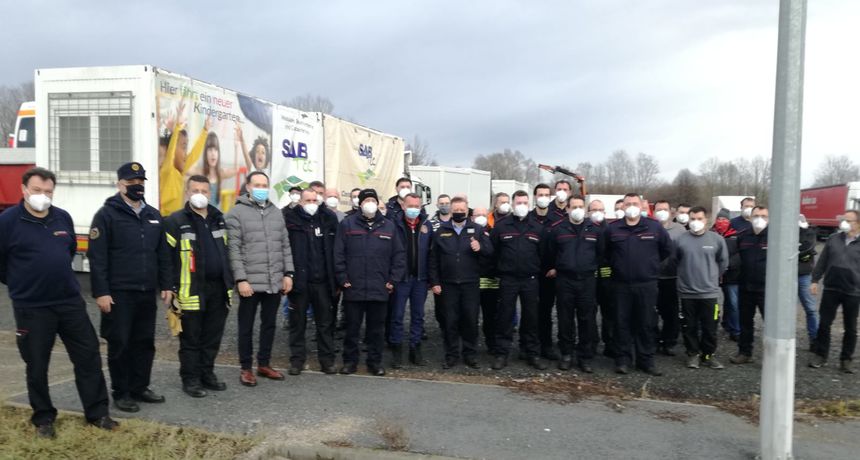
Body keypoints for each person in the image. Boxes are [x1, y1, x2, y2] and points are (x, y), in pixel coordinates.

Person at [0, 167, 117, 437]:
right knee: (37, 364)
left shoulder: (62, 218)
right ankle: (44, 418)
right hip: (32, 308)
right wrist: (20, 283)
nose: (43, 196)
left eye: (48, 191)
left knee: (88, 356)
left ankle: (97, 413)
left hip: (69, 302)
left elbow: (69, 251)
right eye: (37, 191)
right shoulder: (7, 222)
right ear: (24, 190)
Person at [88, 162, 173, 412]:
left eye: (141, 182)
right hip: (118, 294)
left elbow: (163, 255)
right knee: (120, 343)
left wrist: (166, 285)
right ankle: (121, 391)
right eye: (132, 182)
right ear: (120, 185)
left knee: (144, 342)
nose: (137, 186)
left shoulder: (153, 215)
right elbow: (98, 258)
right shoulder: (106, 215)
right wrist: (101, 292)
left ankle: (140, 387)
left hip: (146, 292)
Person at [164, 175, 233, 397]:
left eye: (204, 191)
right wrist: (169, 286)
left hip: (218, 289)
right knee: (191, 339)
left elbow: (228, 253)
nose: (200, 195)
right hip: (190, 290)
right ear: (187, 192)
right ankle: (191, 379)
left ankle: (207, 374)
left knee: (212, 337)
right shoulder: (175, 221)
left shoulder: (218, 218)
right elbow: (166, 258)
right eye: (196, 190)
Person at [226, 171, 294, 386]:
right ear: (248, 186)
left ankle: (264, 363)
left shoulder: (276, 212)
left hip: (274, 280)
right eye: (257, 184)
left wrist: (288, 273)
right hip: (250, 283)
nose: (261, 188)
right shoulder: (235, 213)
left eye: (265, 184)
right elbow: (233, 249)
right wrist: (241, 279)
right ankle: (246, 368)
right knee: (246, 326)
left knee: (269, 325)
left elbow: (284, 245)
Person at [335, 189, 406, 376]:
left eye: (373, 200)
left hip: (379, 288)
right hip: (354, 287)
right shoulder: (347, 224)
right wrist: (342, 278)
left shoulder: (388, 226)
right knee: (352, 329)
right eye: (366, 200)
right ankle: (350, 362)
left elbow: (399, 256)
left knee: (376, 330)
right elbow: (338, 254)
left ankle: (375, 363)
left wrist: (392, 280)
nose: (370, 203)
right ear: (360, 203)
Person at [603, 193, 672, 376]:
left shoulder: (654, 227)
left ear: (641, 207)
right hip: (621, 285)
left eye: (635, 203)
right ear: (622, 207)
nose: (631, 206)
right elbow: (604, 253)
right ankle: (623, 360)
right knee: (621, 323)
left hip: (646, 284)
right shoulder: (612, 229)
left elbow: (666, 250)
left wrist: (650, 265)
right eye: (628, 204)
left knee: (646, 323)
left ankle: (646, 361)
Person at [430, 196, 493, 369]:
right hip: (448, 284)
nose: (459, 213)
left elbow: (490, 252)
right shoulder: (441, 231)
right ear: (451, 211)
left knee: (470, 320)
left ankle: (470, 354)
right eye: (456, 210)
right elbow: (433, 259)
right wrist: (434, 282)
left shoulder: (478, 230)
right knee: (450, 321)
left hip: (470, 284)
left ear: (467, 211)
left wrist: (480, 248)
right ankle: (451, 355)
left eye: (462, 210)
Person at [543, 195, 603, 372]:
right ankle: (566, 354)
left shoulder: (594, 229)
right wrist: (556, 267)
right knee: (565, 318)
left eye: (580, 206)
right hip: (565, 280)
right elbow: (550, 252)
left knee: (587, 319)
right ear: (567, 209)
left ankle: (585, 357)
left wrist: (589, 267)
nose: (577, 209)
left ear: (584, 209)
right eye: (573, 206)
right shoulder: (557, 229)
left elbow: (601, 253)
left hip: (587, 280)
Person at [284, 189, 339, 375]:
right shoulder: (290, 219)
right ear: (300, 201)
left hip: (323, 281)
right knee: (297, 323)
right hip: (299, 281)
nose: (312, 203)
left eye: (315, 200)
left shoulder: (328, 218)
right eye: (308, 200)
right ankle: (297, 360)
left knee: (325, 323)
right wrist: (288, 275)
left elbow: (336, 249)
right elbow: (285, 249)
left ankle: (327, 360)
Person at [490, 190, 546, 370]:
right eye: (518, 202)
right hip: (508, 279)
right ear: (513, 204)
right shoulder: (501, 226)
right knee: (504, 317)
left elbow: (544, 254)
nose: (521, 205)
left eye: (524, 202)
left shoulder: (537, 227)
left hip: (530, 279)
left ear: (529, 204)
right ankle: (501, 353)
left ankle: (531, 353)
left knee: (531, 318)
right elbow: (494, 252)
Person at [675, 207, 729, 369]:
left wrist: (711, 278)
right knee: (688, 326)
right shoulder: (681, 240)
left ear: (706, 220)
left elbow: (723, 262)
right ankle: (693, 354)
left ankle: (708, 355)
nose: (695, 222)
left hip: (709, 293)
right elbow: (675, 261)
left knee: (710, 327)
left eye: (699, 218)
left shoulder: (717, 240)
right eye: (692, 219)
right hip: (686, 293)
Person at [809, 210, 859, 374]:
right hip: (831, 287)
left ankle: (846, 359)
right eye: (843, 219)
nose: (844, 223)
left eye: (848, 220)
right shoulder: (833, 239)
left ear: (858, 223)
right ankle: (821, 355)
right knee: (824, 323)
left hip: (853, 290)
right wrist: (815, 280)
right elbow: (822, 261)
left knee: (850, 327)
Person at [389, 193, 433, 367]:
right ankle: (396, 351)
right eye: (411, 205)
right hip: (401, 279)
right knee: (397, 315)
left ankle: (416, 349)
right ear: (403, 206)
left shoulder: (427, 225)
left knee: (418, 316)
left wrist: (431, 278)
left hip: (420, 279)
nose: (414, 209)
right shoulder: (394, 225)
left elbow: (431, 253)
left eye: (417, 206)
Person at [731, 205, 769, 364]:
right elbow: (736, 257)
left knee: (771, 324)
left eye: (764, 216)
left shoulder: (775, 236)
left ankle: (772, 356)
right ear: (750, 217)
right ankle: (744, 352)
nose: (759, 219)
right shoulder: (743, 236)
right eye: (756, 215)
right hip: (746, 286)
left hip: (767, 289)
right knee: (745, 321)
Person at [529, 183, 560, 360]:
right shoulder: (528, 218)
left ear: (550, 197)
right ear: (535, 196)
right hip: (531, 273)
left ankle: (546, 346)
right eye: (540, 194)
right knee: (530, 311)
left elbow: (561, 247)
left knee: (546, 311)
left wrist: (556, 267)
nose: (543, 197)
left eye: (546, 194)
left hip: (550, 274)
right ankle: (529, 345)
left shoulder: (556, 219)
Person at [653, 200, 687, 356]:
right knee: (650, 312)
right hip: (652, 277)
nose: (662, 212)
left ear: (671, 211)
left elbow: (684, 253)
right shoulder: (649, 227)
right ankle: (653, 340)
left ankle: (669, 341)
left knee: (671, 313)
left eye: (665, 209)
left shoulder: (680, 230)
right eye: (658, 209)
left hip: (671, 277)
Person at [159, 118, 207, 216]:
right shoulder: (167, 170)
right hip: (164, 217)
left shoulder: (180, 171)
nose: (185, 154)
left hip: (176, 218)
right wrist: (176, 129)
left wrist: (205, 131)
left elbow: (194, 155)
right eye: (183, 147)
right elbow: (171, 153)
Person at [588, 199, 615, 358]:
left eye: (600, 209)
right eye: (593, 209)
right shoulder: (585, 228)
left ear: (605, 212)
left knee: (609, 312)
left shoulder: (610, 230)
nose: (597, 212)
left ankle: (610, 343)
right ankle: (591, 343)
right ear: (588, 211)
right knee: (589, 312)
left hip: (607, 276)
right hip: (589, 275)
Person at [711, 209, 741, 342]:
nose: (721, 222)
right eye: (719, 219)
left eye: (724, 220)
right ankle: (712, 327)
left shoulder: (736, 235)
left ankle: (735, 329)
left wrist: (728, 264)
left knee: (733, 303)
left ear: (729, 221)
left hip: (731, 275)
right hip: (713, 275)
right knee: (713, 304)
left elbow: (740, 254)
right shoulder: (710, 234)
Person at [473, 207, 499, 352]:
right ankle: (471, 345)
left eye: (484, 214)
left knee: (491, 314)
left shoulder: (494, 232)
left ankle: (492, 343)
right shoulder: (468, 232)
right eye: (478, 215)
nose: (481, 217)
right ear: (472, 217)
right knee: (471, 315)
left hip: (490, 279)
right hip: (473, 280)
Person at [797, 214, 819, 349]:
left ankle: (815, 339)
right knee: (785, 310)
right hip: (787, 276)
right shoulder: (786, 231)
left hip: (804, 275)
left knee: (811, 309)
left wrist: (796, 249)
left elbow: (807, 248)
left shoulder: (809, 232)